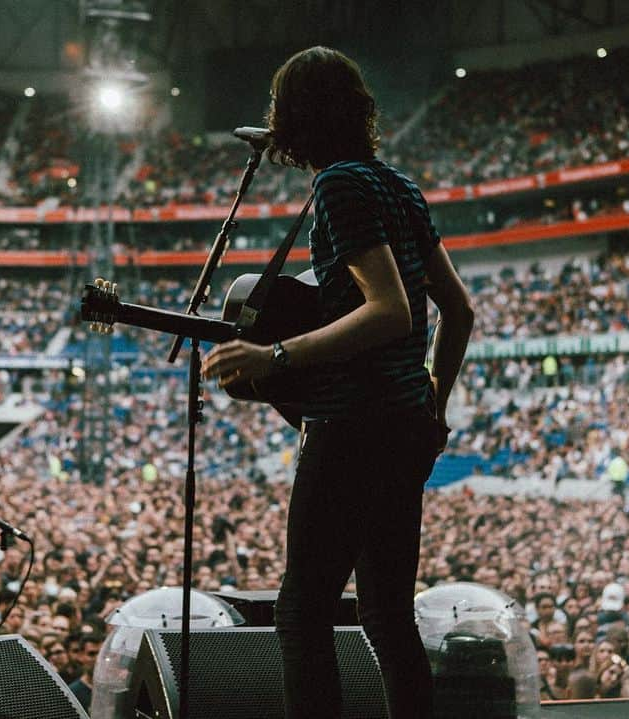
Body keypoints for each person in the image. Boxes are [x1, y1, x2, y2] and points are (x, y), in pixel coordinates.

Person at [201, 46, 474, 719]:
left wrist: (278, 358)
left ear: (292, 116)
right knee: (387, 613)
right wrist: (432, 399)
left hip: (354, 424)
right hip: (404, 422)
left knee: (302, 611)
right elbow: (459, 311)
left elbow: (389, 310)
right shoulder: (399, 186)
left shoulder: (339, 186)